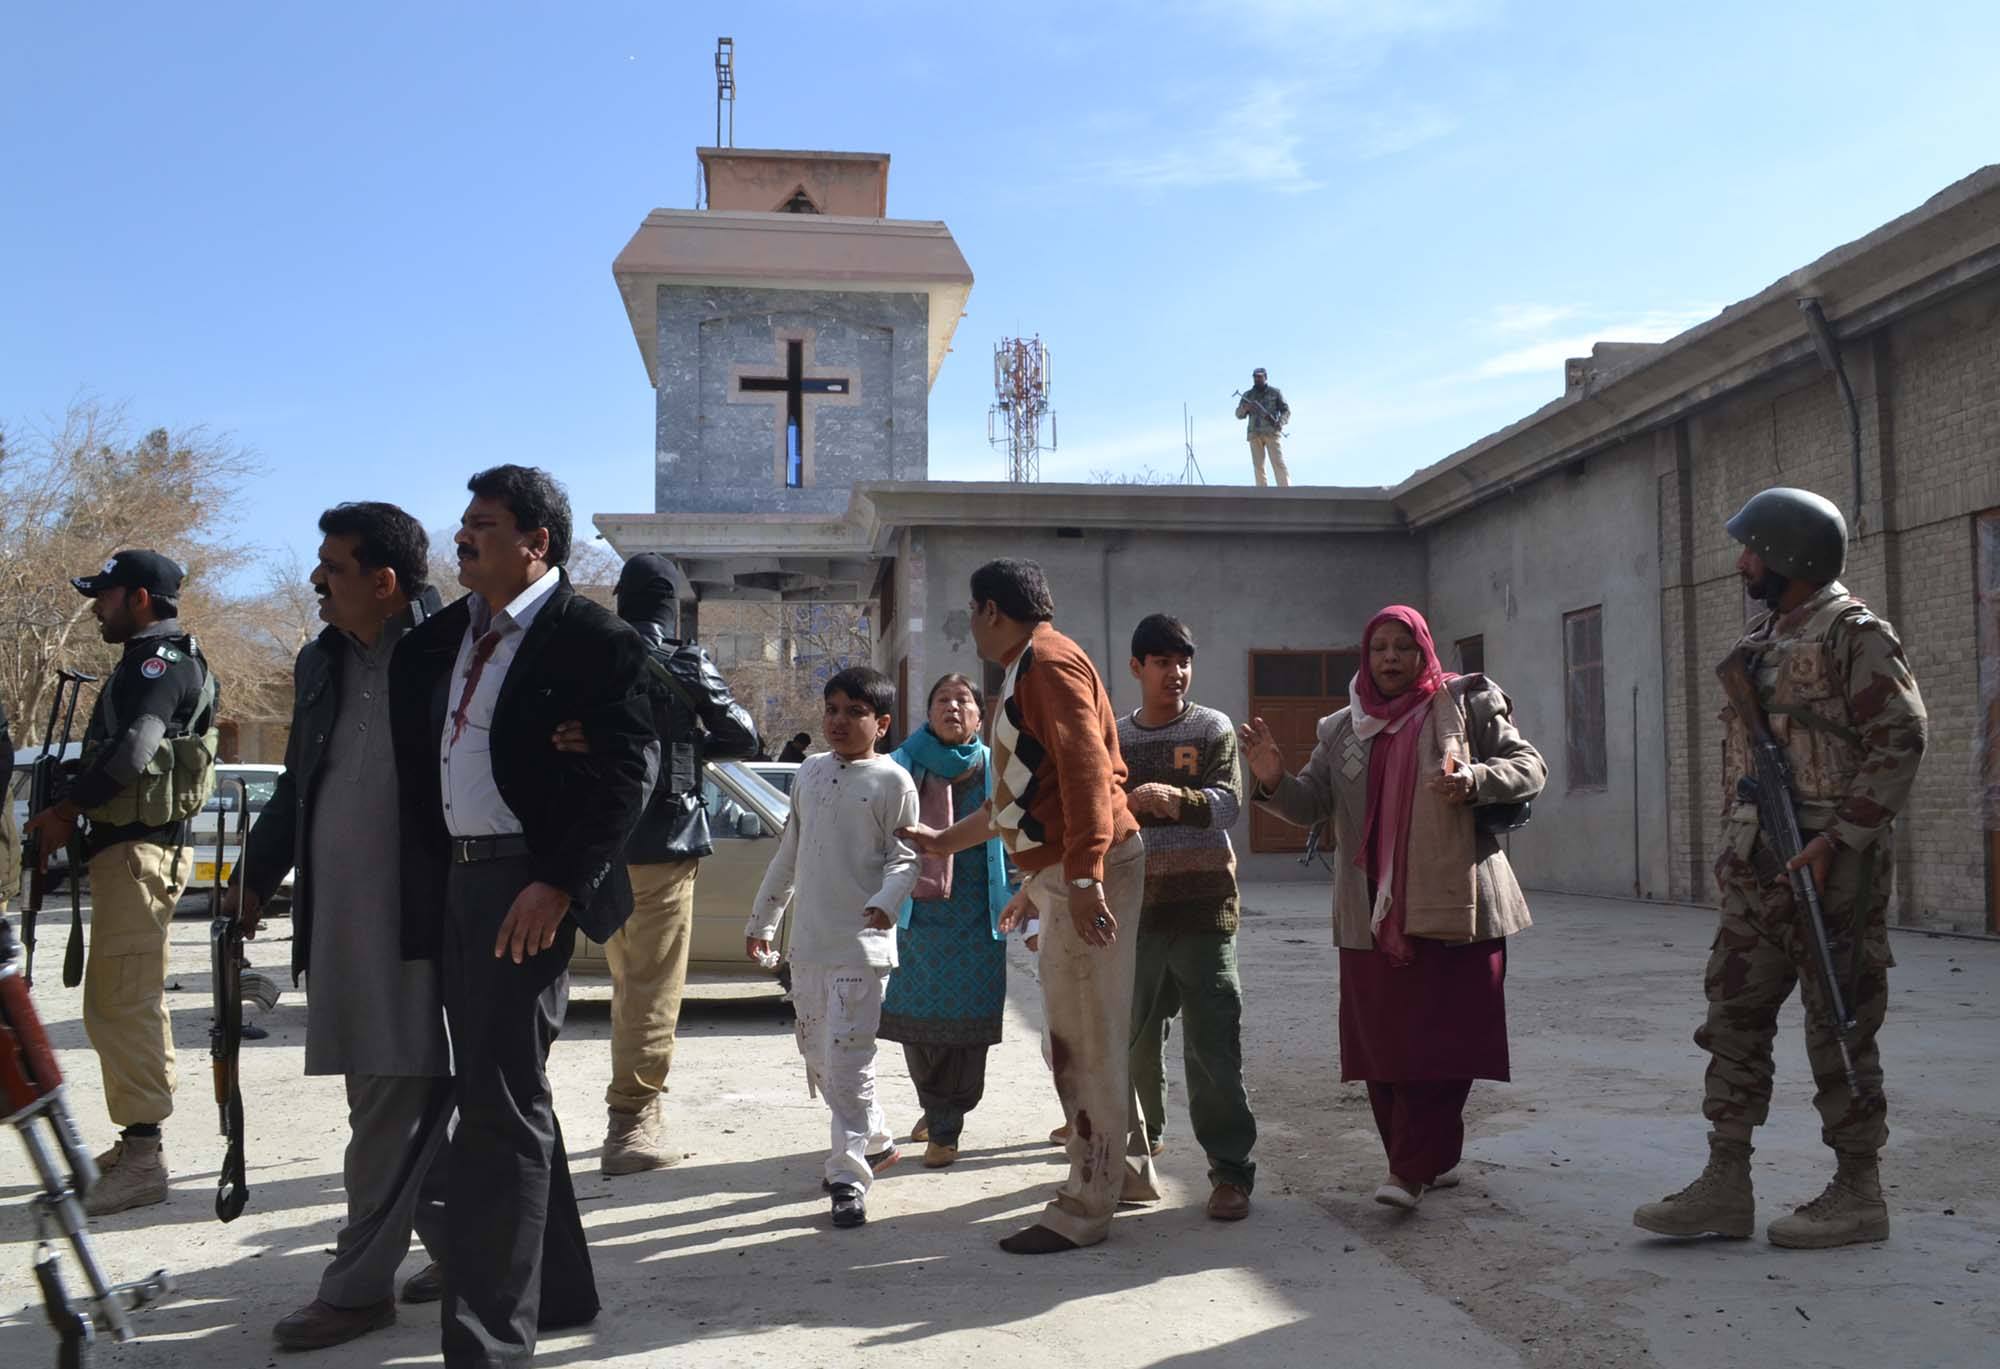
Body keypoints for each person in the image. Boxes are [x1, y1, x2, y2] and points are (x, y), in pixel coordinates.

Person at [388, 465, 653, 1366]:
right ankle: (562, 1289)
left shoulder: (591, 637)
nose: (463, 537)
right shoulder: (445, 638)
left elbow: (631, 773)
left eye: (485, 525)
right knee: (504, 1090)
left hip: (529, 885)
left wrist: (561, 881)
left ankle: (488, 1342)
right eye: (464, 522)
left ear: (536, 542)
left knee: (496, 1106)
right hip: (458, 880)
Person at [1633, 487, 1927, 1249]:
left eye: (1754, 549)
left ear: (1791, 555)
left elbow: (1903, 735)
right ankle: (1725, 1182)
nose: (1742, 562)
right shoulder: (1764, 636)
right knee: (1732, 1015)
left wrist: (1840, 839)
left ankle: (1859, 1190)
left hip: (1831, 867)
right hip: (1756, 860)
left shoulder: (1855, 634)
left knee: (1840, 1020)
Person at [233, 503, 452, 1350]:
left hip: (422, 919)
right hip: (339, 921)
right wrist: (255, 878)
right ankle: (475, 1247)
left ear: (384, 581)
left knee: (392, 1099)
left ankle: (359, 1287)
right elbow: (299, 781)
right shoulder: (319, 659)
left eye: (333, 567)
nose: (317, 580)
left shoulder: (455, 648)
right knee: (399, 1094)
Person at [1244, 605, 1544, 1210]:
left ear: (1423, 652)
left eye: (1402, 647)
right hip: (1372, 914)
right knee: (1382, 1048)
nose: (1390, 658)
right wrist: (1273, 779)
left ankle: (1409, 1170)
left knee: (1446, 1044)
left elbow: (1529, 767)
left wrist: (1476, 779)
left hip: (1458, 905)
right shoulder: (1341, 729)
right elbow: (1310, 804)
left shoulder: (1465, 703)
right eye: (1379, 647)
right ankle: (1425, 1158)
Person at [902, 558, 1152, 1255]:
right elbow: (1017, 798)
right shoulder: (1029, 667)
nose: (970, 625)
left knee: (1083, 1041)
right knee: (1094, 1030)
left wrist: (1085, 876)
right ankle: (1126, 1174)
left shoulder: (1047, 665)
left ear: (991, 610)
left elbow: (1086, 772)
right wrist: (944, 841)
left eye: (971, 611)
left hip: (1085, 869)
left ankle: (1085, 1205)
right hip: (1067, 869)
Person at [24, 549, 218, 1216]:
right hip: (136, 854)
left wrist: (65, 811)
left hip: (138, 855)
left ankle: (143, 1159)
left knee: (122, 1003)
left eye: (104, 596)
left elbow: (135, 750)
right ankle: (137, 1143)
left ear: (139, 598)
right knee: (125, 999)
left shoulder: (155, 663)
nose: (96, 608)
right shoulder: (160, 659)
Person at [588, 553, 758, 1175]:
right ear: (671, 605)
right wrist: (683, 744)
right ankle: (631, 1121)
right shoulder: (686, 661)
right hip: (664, 842)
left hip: (596, 845)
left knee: (621, 982)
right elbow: (744, 736)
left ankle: (628, 1109)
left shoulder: (586, 656)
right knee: (651, 989)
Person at [746, 667, 919, 1228]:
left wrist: (887, 902)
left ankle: (847, 1177)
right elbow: (790, 853)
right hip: (809, 947)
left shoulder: (894, 782)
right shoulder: (811, 772)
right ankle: (878, 1141)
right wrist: (764, 920)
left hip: (862, 948)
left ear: (882, 724)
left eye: (855, 712)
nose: (839, 721)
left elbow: (907, 858)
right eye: (832, 710)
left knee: (848, 1061)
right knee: (819, 1058)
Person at [1118, 614, 1257, 1222]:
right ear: (1137, 668)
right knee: (1134, 1042)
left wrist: (1177, 799)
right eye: (1162, 662)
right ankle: (1139, 1147)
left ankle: (1230, 1172)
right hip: (1137, 914)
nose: (1174, 673)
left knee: (1213, 1048)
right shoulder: (1116, 737)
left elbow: (1228, 804)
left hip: (1204, 910)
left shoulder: (1211, 727)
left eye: (1183, 662)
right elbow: (1099, 811)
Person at [879, 673, 1013, 1169]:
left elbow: (1018, 834)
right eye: (942, 700)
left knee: (969, 1029)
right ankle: (940, 1116)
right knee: (918, 1027)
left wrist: (1028, 900)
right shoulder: (899, 765)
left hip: (979, 917)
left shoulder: (998, 767)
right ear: (928, 712)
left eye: (963, 701)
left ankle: (945, 1117)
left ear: (980, 715)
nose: (953, 708)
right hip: (917, 919)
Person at [1233, 367, 1291, 488]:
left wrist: (1280, 422)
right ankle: (1261, 490)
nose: (1257, 379)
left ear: (1265, 377)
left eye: (1260, 377)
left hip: (1271, 432)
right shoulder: (1248, 395)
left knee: (1278, 462)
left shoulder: (1275, 392)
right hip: (1255, 434)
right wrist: (1245, 408)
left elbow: (1286, 410)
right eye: (1255, 377)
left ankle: (1285, 488)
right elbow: (1238, 414)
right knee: (1258, 466)